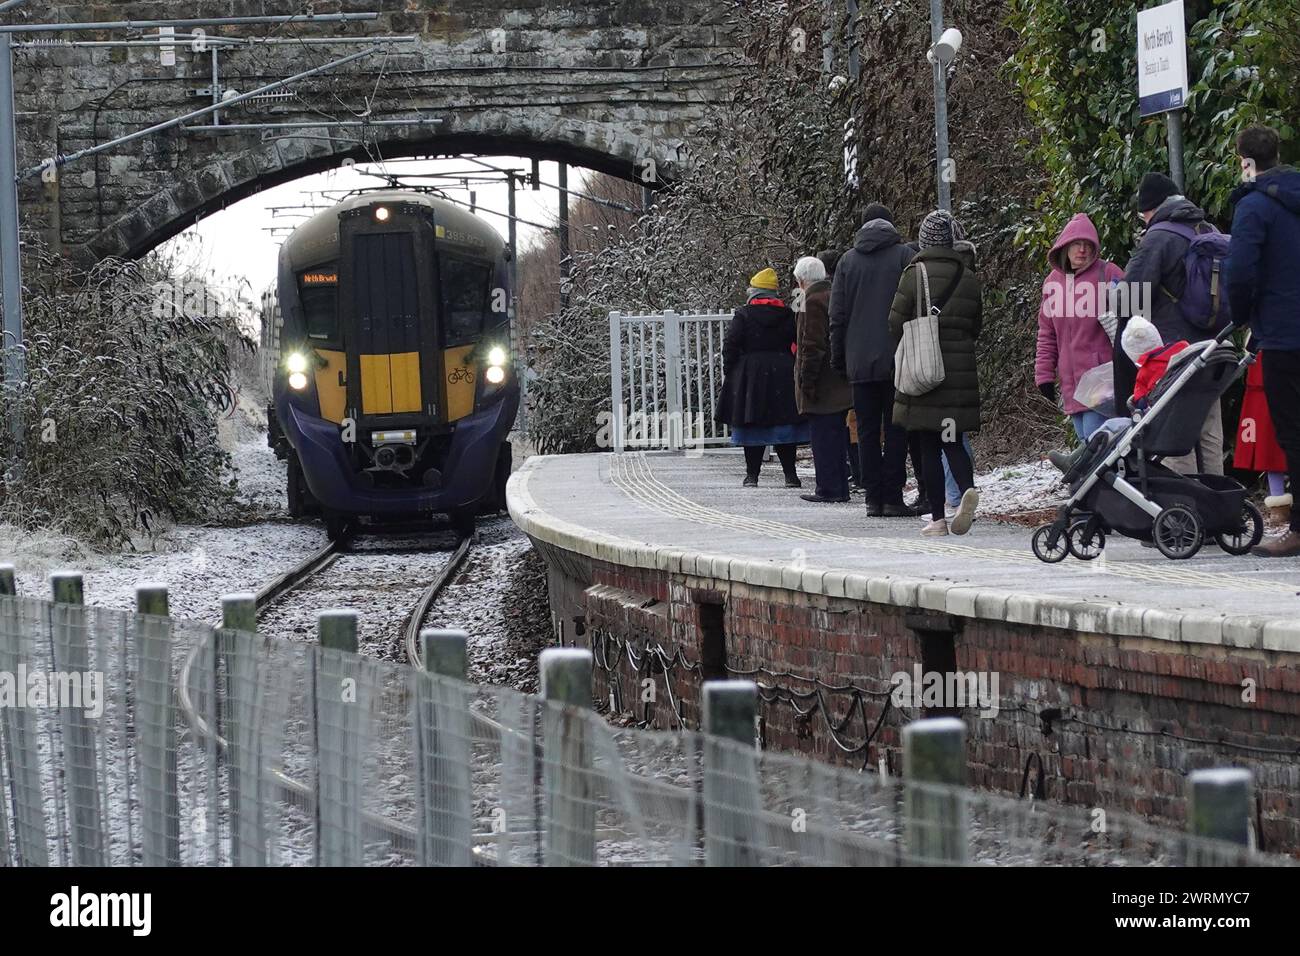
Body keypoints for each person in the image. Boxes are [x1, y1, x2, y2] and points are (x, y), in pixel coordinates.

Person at [1225, 124, 1300, 555]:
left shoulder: (1254, 206)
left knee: (1293, 430)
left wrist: (1241, 318)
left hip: (1283, 334)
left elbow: (1240, 270)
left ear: (1247, 163)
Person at [1118, 172, 1224, 476]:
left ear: (1151, 208)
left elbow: (1130, 297)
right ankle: (1216, 499)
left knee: (1177, 430)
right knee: (1209, 428)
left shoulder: (1158, 237)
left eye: (1143, 213)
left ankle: (1186, 503)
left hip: (1172, 352)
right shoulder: (1208, 229)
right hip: (1214, 346)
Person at [888, 209, 982, 536]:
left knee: (928, 446)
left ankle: (938, 517)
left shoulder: (914, 274)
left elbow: (894, 322)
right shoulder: (968, 276)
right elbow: (976, 326)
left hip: (924, 372)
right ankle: (967, 491)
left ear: (924, 241)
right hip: (958, 375)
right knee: (951, 438)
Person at [830, 203, 916, 516]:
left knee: (865, 431)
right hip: (898, 358)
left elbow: (837, 316)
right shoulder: (905, 256)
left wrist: (840, 359)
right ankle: (893, 497)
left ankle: (872, 498)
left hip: (859, 361)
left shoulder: (846, 262)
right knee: (897, 430)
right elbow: (917, 305)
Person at [1036, 213, 1126, 441]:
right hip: (1071, 386)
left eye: (1088, 245)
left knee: (1098, 450)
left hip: (1103, 382)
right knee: (1090, 447)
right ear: (1064, 246)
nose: (1082, 250)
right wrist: (1044, 375)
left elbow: (1138, 321)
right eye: (1077, 244)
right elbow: (1047, 334)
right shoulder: (1052, 283)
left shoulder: (1110, 273)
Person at [716, 267, 808, 487]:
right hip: (783, 371)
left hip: (751, 373)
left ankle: (752, 476)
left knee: (752, 423)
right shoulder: (787, 314)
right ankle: (790, 475)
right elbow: (796, 340)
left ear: (754, 292)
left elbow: (730, 344)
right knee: (785, 424)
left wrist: (732, 371)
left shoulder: (744, 314)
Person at [793, 256, 853, 502]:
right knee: (837, 436)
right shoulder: (834, 295)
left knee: (823, 438)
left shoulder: (811, 301)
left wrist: (806, 381)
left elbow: (810, 344)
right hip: (839, 378)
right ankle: (839, 487)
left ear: (801, 279)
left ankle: (828, 488)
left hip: (822, 382)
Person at [1234, 349, 1290, 524]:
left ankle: (1281, 505)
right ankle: (1278, 504)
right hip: (1261, 389)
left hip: (1281, 383)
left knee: (1276, 450)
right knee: (1269, 451)